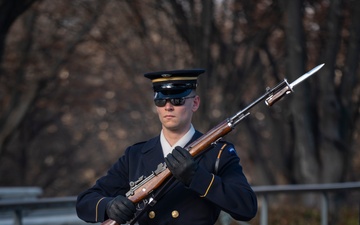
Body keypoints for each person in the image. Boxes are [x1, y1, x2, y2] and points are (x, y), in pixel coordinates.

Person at [76, 69, 258, 225]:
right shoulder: (136, 155)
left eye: (177, 100)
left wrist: (197, 178)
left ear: (194, 103)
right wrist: (109, 206)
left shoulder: (218, 153)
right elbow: (85, 201)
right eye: (161, 100)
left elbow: (246, 207)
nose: (168, 107)